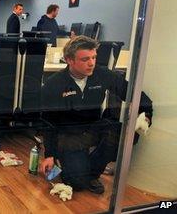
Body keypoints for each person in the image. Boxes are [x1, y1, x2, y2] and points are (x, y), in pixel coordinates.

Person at [39, 36, 153, 194]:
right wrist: (49, 155)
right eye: (85, 59)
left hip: (93, 127)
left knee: (126, 134)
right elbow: (47, 122)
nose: (91, 63)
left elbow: (135, 94)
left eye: (93, 57)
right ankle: (74, 168)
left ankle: (90, 173)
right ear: (69, 60)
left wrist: (146, 115)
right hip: (68, 135)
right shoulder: (54, 84)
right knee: (77, 184)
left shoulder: (101, 74)